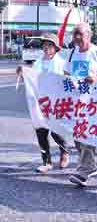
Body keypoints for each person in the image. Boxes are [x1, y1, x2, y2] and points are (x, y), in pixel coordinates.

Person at [16, 33, 69, 173]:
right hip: (40, 103)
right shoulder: (38, 62)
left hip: (56, 102)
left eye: (49, 45)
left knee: (56, 132)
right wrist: (23, 72)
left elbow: (66, 81)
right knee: (41, 131)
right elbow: (31, 78)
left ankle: (64, 152)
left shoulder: (61, 63)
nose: (46, 48)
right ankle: (46, 161)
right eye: (44, 45)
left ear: (55, 48)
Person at [64, 23, 97, 187]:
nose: (77, 37)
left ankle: (85, 169)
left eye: (80, 34)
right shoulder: (72, 53)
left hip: (93, 102)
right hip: (75, 102)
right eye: (75, 33)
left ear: (89, 35)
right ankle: (89, 165)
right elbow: (66, 74)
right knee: (77, 135)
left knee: (86, 133)